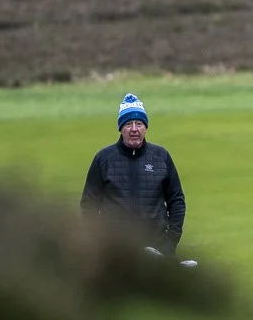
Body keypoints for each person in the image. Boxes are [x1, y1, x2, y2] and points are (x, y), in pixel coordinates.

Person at [80, 92, 189, 261]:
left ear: (145, 127)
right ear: (121, 128)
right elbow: (89, 206)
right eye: (128, 124)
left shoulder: (161, 157)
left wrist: (170, 243)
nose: (134, 129)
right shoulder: (103, 159)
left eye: (139, 123)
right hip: (115, 253)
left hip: (157, 248)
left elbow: (177, 201)